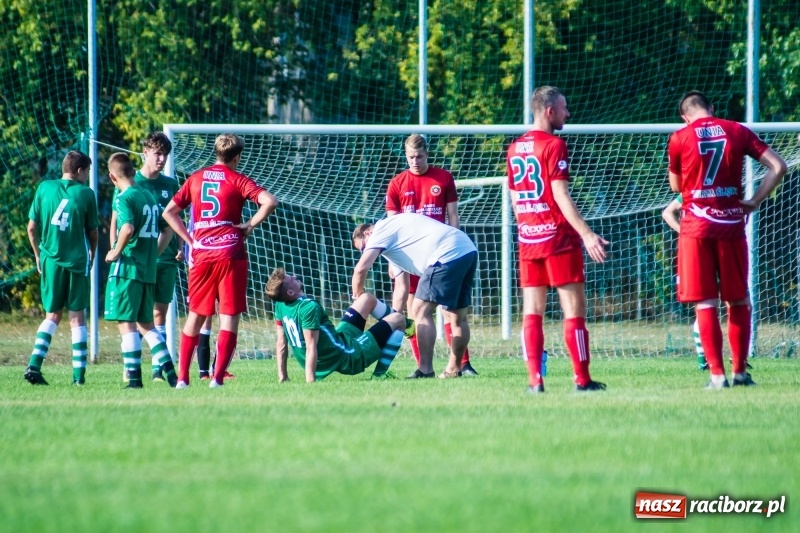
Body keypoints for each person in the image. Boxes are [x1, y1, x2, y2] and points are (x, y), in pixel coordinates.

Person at [667, 90, 787, 389]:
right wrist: (755, 201)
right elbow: (779, 167)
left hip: (695, 229)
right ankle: (740, 374)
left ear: (684, 117)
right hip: (731, 224)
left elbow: (675, 186)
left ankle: (717, 376)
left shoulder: (679, 138)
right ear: (712, 107)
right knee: (738, 299)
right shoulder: (736, 130)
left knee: (705, 303)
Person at [507, 86, 608, 393]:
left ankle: (535, 381)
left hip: (528, 239)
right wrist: (587, 234)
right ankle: (582, 379)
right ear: (549, 112)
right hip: (558, 238)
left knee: (532, 312)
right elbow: (560, 194)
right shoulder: (554, 145)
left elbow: (514, 201)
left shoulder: (514, 148)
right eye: (564, 108)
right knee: (573, 311)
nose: (568, 113)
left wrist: (528, 228)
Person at [162, 133, 278, 388]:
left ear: (216, 153)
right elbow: (270, 201)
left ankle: (182, 379)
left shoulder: (195, 178)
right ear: (236, 157)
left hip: (201, 254)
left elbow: (169, 212)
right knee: (229, 316)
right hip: (230, 254)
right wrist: (249, 224)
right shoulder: (237, 179)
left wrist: (190, 240)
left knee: (195, 315)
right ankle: (216, 378)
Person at [385, 133, 479, 377]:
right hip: (412, 257)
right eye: (410, 157)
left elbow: (453, 218)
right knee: (415, 310)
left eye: (419, 156)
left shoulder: (444, 178)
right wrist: (393, 262)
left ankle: (462, 364)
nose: (415, 161)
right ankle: (422, 367)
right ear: (405, 156)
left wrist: (455, 248)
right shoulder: (397, 183)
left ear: (427, 154)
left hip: (442, 254)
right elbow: (392, 227)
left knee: (452, 311)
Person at [352, 213, 477, 378]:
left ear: (367, 233)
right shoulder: (393, 248)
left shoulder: (381, 230)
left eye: (363, 247)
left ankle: (425, 370)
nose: (365, 251)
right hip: (467, 250)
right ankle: (453, 369)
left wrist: (358, 298)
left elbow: (360, 269)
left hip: (446, 253)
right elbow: (401, 288)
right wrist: (393, 320)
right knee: (457, 318)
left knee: (419, 310)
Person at [110, 132, 183, 382]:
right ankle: (152, 370)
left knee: (148, 316)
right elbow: (116, 222)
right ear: (145, 153)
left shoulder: (168, 185)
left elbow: (173, 222)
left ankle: (148, 372)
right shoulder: (133, 183)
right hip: (138, 261)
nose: (162, 159)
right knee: (144, 319)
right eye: (157, 153)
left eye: (165, 154)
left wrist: (179, 246)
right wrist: (115, 248)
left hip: (158, 259)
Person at [24, 151, 99, 385]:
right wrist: (92, 255)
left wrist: (38, 255)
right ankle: (78, 378)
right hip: (76, 262)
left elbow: (31, 228)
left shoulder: (44, 187)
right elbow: (93, 232)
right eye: (87, 171)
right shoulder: (86, 194)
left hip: (50, 261)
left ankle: (34, 365)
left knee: (52, 315)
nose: (88, 176)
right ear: (79, 171)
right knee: (77, 318)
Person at [266, 268, 408, 382]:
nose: (294, 275)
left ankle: (409, 326)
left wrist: (283, 377)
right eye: (291, 278)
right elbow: (311, 346)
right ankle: (379, 375)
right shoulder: (309, 307)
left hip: (337, 342)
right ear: (290, 292)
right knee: (399, 319)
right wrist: (310, 381)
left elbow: (281, 343)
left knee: (367, 298)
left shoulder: (280, 305)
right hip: (346, 355)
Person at [662, 196, 708, 371]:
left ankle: (734, 358)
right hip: (696, 251)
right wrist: (686, 232)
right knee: (704, 304)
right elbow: (667, 213)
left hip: (721, 245)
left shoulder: (723, 188)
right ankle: (704, 359)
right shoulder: (690, 191)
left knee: (732, 302)